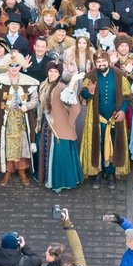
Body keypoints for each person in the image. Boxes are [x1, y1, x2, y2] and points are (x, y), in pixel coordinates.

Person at [0, 51, 39, 186]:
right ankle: (8, 171)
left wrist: (27, 106)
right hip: (5, 121)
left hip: (23, 120)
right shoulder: (1, 80)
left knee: (23, 145)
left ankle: (22, 171)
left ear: (21, 66)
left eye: (17, 65)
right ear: (7, 66)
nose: (14, 68)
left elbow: (35, 99)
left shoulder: (28, 81)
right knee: (6, 145)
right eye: (11, 65)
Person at [78, 51, 131, 189]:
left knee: (114, 145)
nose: (101, 64)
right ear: (95, 64)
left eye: (103, 61)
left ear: (108, 61)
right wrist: (88, 92)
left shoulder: (119, 75)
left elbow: (127, 96)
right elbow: (83, 96)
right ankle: (97, 173)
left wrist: (122, 111)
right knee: (98, 144)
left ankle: (111, 173)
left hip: (114, 119)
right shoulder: (90, 76)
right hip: (97, 119)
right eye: (98, 62)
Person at [36, 62, 84, 193]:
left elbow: (68, 99)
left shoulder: (61, 86)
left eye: (56, 72)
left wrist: (72, 83)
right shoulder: (43, 84)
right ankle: (47, 177)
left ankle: (61, 181)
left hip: (59, 125)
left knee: (59, 153)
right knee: (47, 150)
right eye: (51, 71)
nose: (52, 74)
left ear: (59, 74)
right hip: (47, 123)